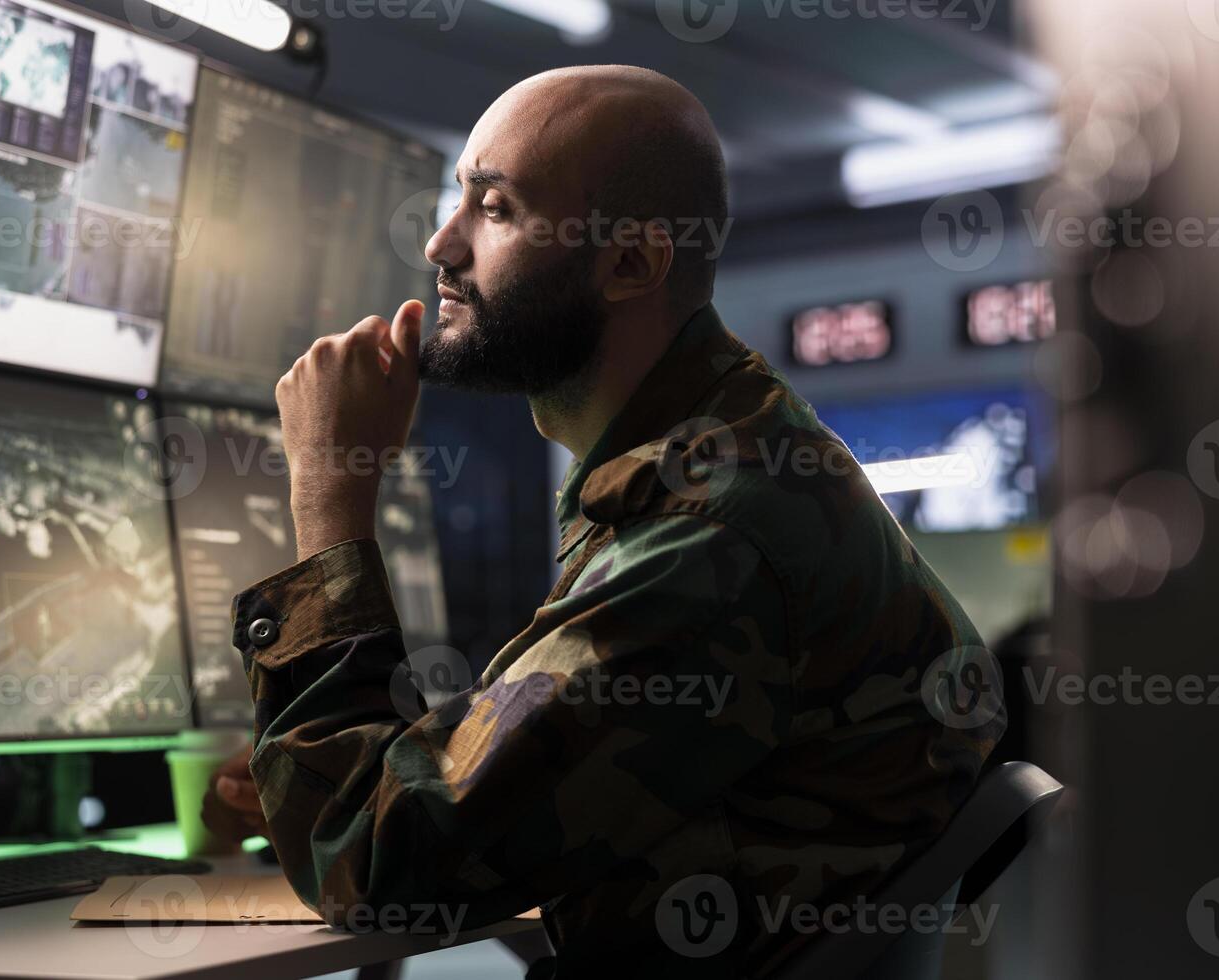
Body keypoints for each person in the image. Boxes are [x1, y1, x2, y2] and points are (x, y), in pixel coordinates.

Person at [202, 65, 1004, 977]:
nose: (440, 242)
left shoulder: (714, 536)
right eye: (459, 196)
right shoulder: (723, 457)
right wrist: (343, 777)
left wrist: (329, 489)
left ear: (632, 263)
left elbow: (379, 867)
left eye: (495, 208)